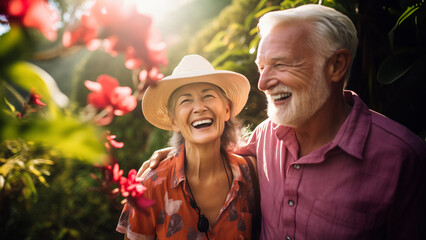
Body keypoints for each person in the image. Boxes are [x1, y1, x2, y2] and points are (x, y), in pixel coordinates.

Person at [140, 4, 426, 240]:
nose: (263, 83)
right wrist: (180, 154)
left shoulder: (403, 160)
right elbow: (216, 151)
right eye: (262, 68)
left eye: (281, 63)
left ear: (336, 66)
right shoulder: (265, 139)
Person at [116, 54, 261, 240]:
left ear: (226, 110)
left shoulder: (250, 174)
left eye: (208, 95)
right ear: (174, 121)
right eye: (185, 100)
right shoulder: (149, 188)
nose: (199, 107)